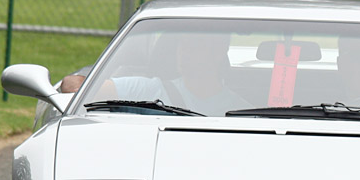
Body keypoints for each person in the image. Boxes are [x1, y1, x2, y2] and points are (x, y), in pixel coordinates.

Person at [62, 31, 249, 116]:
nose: (183, 52)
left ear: (218, 52)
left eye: (194, 46)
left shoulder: (242, 112)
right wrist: (76, 86)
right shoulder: (145, 90)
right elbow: (73, 85)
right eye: (182, 45)